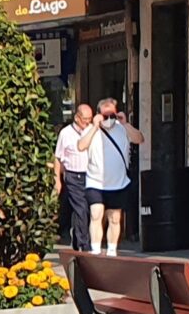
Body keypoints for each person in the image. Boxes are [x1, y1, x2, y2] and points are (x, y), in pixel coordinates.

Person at [90, 97, 135, 257]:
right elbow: (81, 145)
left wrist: (125, 123)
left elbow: (139, 139)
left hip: (118, 183)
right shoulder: (92, 129)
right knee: (96, 214)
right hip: (95, 181)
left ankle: (111, 249)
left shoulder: (121, 129)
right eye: (105, 115)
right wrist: (94, 126)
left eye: (112, 116)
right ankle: (95, 249)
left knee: (114, 218)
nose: (108, 120)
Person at [53, 101, 99, 252]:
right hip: (73, 176)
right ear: (77, 117)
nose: (88, 122)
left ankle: (77, 236)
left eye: (90, 118)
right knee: (81, 209)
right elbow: (58, 157)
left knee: (90, 210)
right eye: (85, 119)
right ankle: (84, 244)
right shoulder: (65, 133)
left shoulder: (92, 131)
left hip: (91, 175)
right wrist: (57, 180)